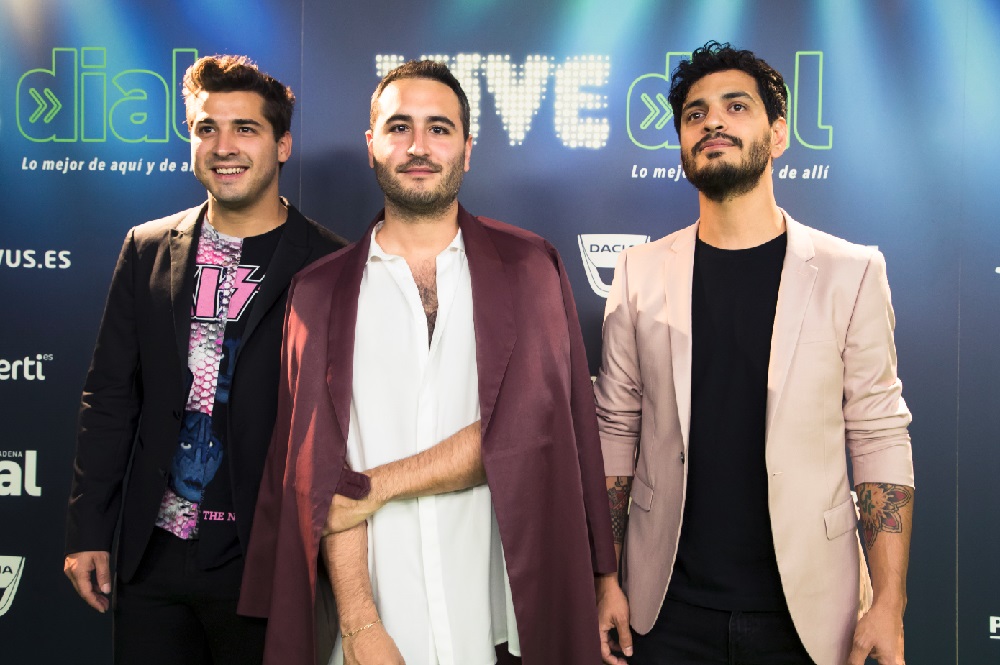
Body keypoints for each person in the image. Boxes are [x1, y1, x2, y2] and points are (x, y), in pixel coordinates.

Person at [238, 59, 617, 665]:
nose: (418, 146)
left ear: (467, 149)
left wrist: (379, 485)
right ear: (371, 145)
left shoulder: (530, 269)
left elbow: (533, 432)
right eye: (399, 127)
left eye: (439, 128)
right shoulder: (318, 294)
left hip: (505, 624)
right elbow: (319, 475)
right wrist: (360, 623)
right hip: (377, 629)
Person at [594, 42, 914, 665]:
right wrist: (607, 579)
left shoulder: (852, 272)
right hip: (664, 609)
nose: (712, 121)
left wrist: (889, 602)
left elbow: (878, 435)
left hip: (812, 614)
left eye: (735, 106)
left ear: (778, 133)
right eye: (695, 114)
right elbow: (616, 431)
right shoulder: (637, 273)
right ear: (682, 143)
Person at [63, 54, 346, 665]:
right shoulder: (146, 249)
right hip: (151, 560)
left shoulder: (330, 265)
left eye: (246, 128)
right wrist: (90, 531)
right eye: (206, 128)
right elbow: (110, 398)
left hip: (264, 561)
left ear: (283, 145)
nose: (224, 146)